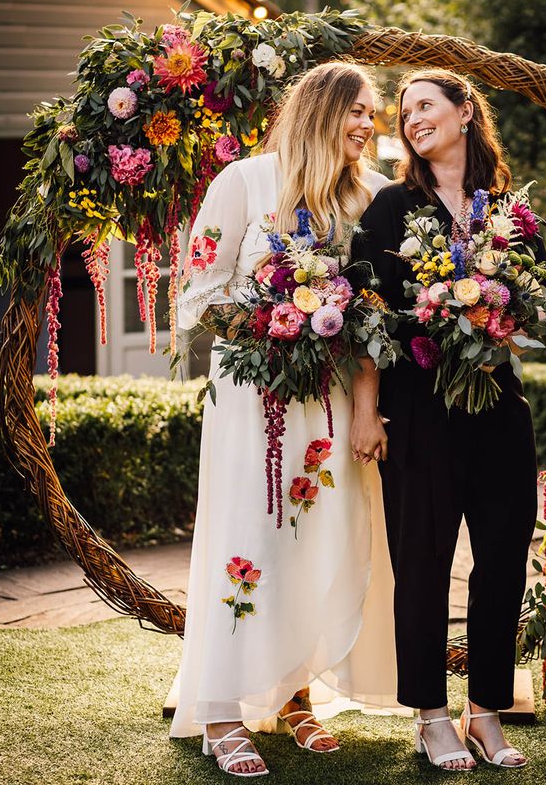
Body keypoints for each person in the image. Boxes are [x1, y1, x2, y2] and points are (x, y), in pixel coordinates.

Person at [170, 62, 397, 778]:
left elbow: (375, 317)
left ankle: (298, 697)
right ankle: (220, 711)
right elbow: (200, 292)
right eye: (356, 111)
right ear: (319, 109)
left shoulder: (371, 196)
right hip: (253, 402)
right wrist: (280, 323)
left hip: (328, 403)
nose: (368, 124)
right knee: (249, 537)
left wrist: (362, 401)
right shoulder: (243, 182)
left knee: (318, 543)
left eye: (372, 114)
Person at [350, 68, 546, 771]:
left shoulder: (512, 210)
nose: (411, 118)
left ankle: (485, 713)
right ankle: (431, 717)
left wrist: (502, 308)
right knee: (423, 563)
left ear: (466, 112)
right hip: (418, 411)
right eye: (405, 111)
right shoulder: (387, 210)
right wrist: (365, 410)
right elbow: (364, 318)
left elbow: (537, 298)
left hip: (500, 407)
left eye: (426, 105)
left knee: (501, 562)